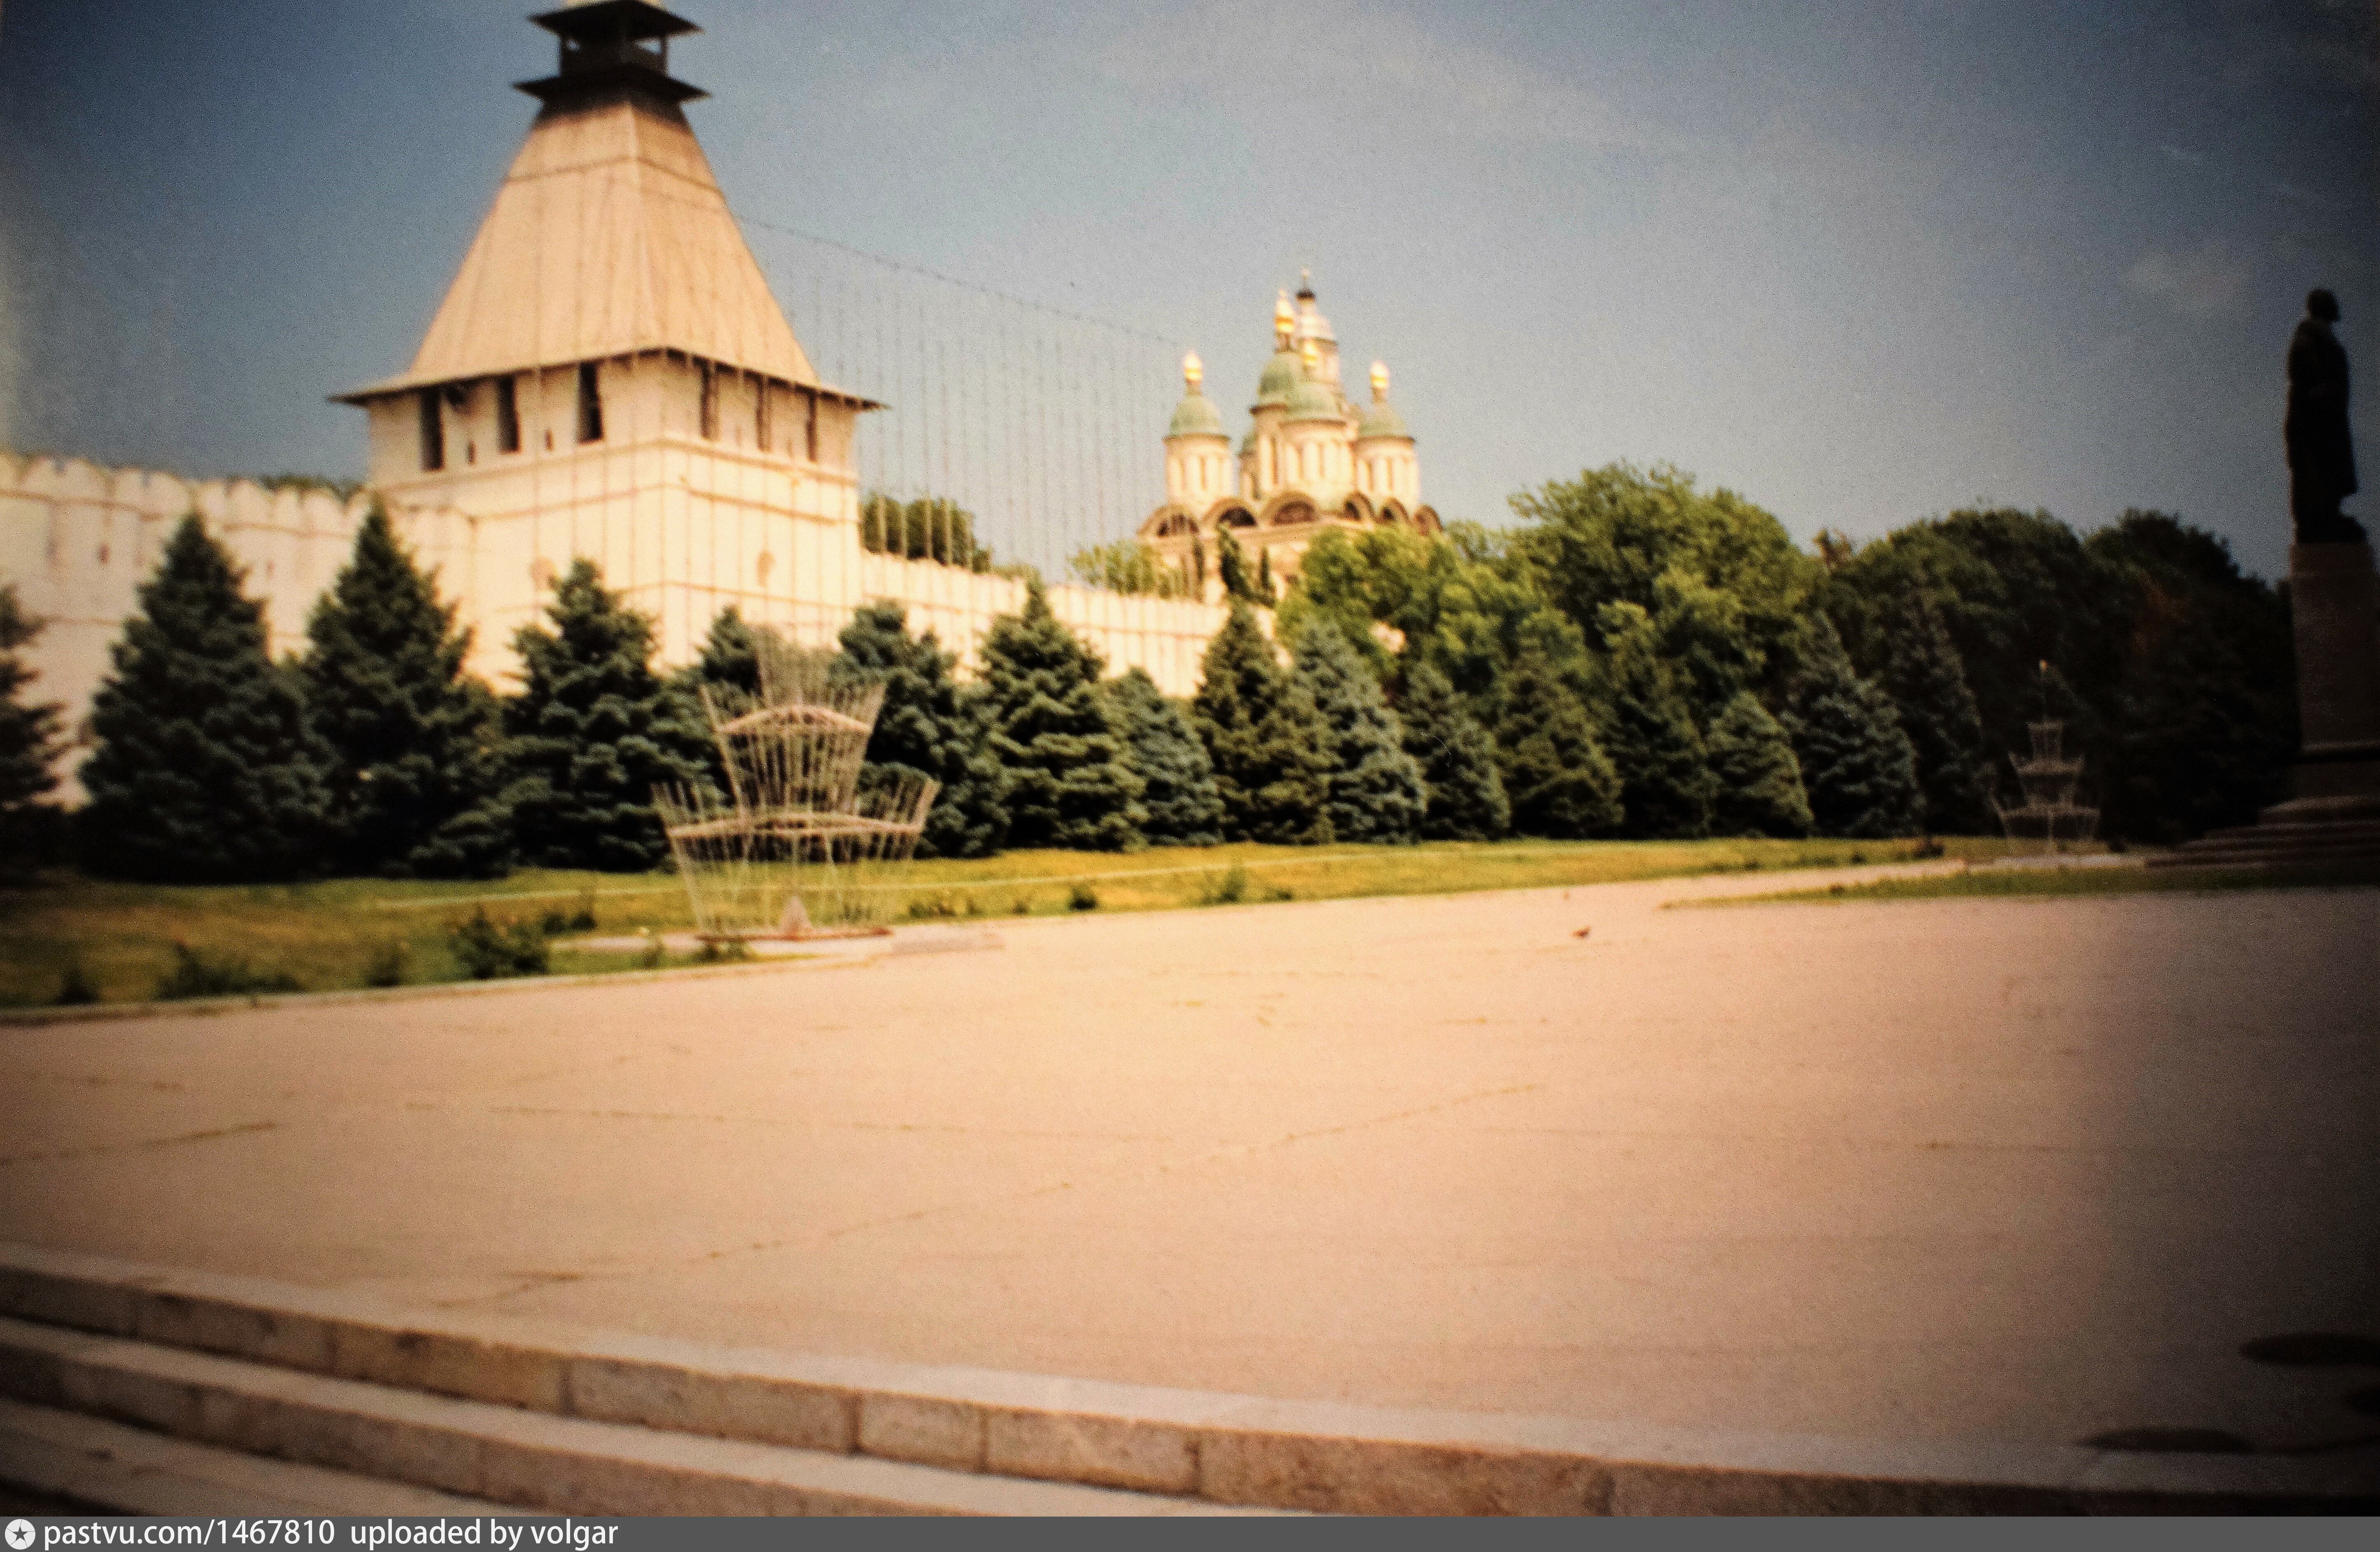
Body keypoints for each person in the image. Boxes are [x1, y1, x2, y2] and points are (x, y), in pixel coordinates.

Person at [2286, 288, 2362, 544]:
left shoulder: (2324, 336)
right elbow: (2302, 368)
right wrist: (2322, 388)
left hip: (2330, 418)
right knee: (2315, 469)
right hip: (2315, 419)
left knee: (2331, 468)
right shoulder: (2309, 334)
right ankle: (2317, 521)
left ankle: (2330, 516)